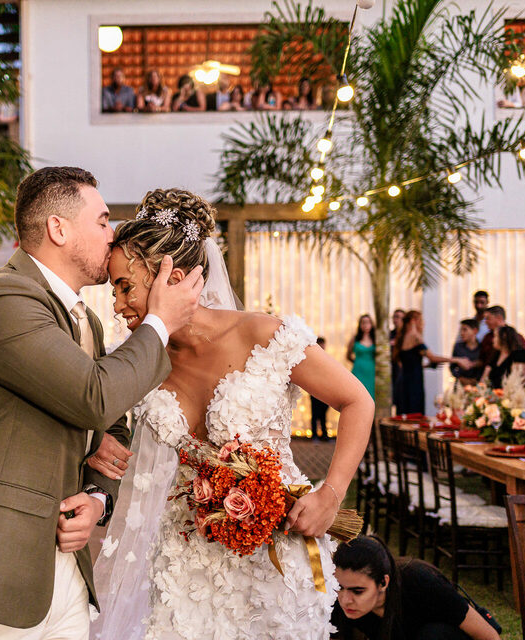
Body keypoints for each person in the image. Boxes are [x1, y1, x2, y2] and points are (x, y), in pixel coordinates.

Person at [0, 166, 204, 638]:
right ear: (58, 229)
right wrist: (161, 322)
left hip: (65, 568)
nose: (113, 233)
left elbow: (112, 422)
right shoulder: (1, 298)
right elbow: (95, 396)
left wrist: (97, 496)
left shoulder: (88, 322)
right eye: (103, 220)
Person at [93, 188, 374, 639]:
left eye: (125, 286)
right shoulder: (136, 361)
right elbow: (96, 417)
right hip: (184, 559)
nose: (117, 303)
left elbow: (358, 401)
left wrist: (331, 494)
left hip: (276, 554)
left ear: (173, 278)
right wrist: (100, 445)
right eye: (113, 289)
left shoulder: (264, 334)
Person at [331, 535, 500, 640]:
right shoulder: (336, 599)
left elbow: (488, 636)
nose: (346, 600)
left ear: (383, 582)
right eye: (340, 587)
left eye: (358, 591)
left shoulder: (422, 584)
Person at [393, 311, 469, 415]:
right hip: (414, 382)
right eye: (421, 320)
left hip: (403, 381)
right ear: (414, 321)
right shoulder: (415, 337)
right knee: (414, 413)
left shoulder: (401, 337)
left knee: (404, 413)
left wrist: (425, 365)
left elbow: (406, 362)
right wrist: (457, 360)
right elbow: (432, 357)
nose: (423, 323)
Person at [481, 325, 525, 390]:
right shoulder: (495, 355)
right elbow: (483, 379)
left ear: (504, 336)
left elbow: (518, 382)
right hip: (493, 396)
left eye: (495, 336)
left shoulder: (519, 355)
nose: (492, 340)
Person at [347, 314, 376, 399]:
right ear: (360, 325)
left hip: (371, 370)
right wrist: (357, 362)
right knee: (358, 394)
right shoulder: (355, 339)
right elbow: (348, 355)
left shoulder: (376, 339)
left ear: (371, 324)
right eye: (363, 323)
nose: (366, 325)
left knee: (371, 394)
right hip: (358, 370)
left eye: (368, 322)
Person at [450, 318, 483, 386]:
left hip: (478, 386)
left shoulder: (482, 348)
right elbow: (452, 366)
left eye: (465, 330)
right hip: (460, 386)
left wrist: (476, 380)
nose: (461, 333)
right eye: (461, 330)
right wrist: (460, 378)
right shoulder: (458, 347)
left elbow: (485, 365)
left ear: (475, 331)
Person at [310, 336, 331, 440]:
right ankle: (314, 435)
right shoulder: (312, 359)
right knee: (315, 413)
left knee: (323, 414)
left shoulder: (327, 359)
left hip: (325, 390)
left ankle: (324, 435)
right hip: (314, 390)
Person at [390, 309, 405, 411]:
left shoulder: (407, 336)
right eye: (395, 317)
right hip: (390, 372)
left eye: (399, 317)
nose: (397, 320)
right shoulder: (389, 335)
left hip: (403, 372)